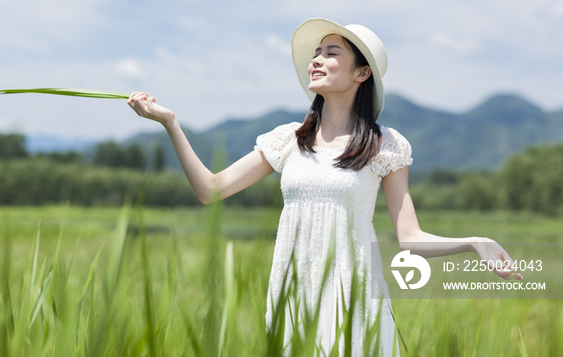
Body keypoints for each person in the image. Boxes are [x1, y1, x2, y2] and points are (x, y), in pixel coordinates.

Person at [127, 18, 522, 356]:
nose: (316, 59)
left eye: (331, 52)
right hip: (294, 295)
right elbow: (210, 190)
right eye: (317, 52)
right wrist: (170, 124)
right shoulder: (288, 140)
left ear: (361, 73)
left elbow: (410, 237)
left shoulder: (386, 146)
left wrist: (474, 241)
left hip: (354, 299)